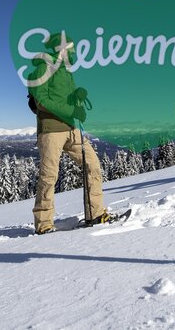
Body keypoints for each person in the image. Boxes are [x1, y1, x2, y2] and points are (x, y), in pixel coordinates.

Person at [27, 32, 110, 234]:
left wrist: (77, 98)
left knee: (93, 165)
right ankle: (44, 224)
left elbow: (65, 101)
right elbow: (42, 101)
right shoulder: (43, 68)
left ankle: (95, 213)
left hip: (72, 128)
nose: (73, 52)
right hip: (51, 130)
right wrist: (72, 110)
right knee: (49, 175)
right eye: (70, 48)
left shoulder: (66, 71)